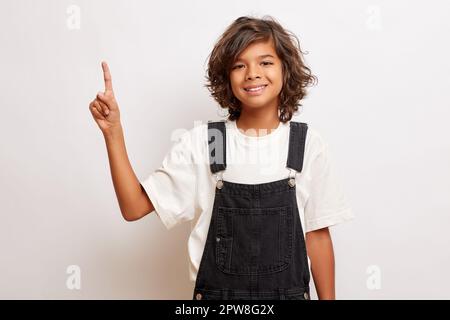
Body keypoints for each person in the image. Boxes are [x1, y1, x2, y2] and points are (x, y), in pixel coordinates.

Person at [89, 15, 354, 300]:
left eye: (265, 62)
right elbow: (133, 207)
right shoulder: (207, 143)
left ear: (286, 70)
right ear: (226, 77)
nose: (252, 73)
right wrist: (113, 133)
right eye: (239, 65)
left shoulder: (306, 145)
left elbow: (317, 236)